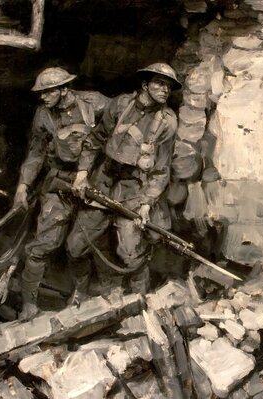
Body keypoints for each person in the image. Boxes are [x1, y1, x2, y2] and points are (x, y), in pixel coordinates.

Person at [66, 62, 180, 297]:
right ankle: (84, 294)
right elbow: (96, 139)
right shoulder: (120, 104)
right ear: (145, 84)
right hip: (104, 179)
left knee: (130, 252)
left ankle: (140, 300)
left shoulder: (167, 121)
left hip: (135, 187)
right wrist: (82, 173)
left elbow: (161, 169)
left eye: (168, 86)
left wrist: (147, 203)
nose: (165, 90)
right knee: (76, 245)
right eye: (159, 83)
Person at [13, 67, 105, 320]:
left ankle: (82, 296)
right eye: (41, 93)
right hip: (58, 184)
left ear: (65, 89)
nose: (43, 97)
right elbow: (36, 152)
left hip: (93, 186)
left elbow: (119, 133)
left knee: (79, 246)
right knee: (42, 245)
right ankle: (29, 306)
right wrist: (24, 184)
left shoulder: (94, 103)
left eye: (47, 92)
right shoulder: (43, 115)